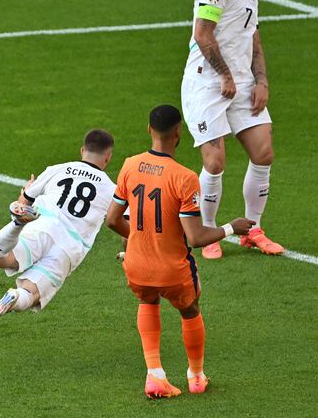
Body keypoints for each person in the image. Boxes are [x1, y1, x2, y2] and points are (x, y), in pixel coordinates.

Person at [105, 104, 255, 398]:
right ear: (179, 133)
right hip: (172, 269)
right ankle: (196, 377)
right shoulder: (185, 178)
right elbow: (197, 238)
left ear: (149, 130)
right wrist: (230, 228)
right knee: (189, 310)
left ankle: (154, 375)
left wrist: (137, 239)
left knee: (147, 301)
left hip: (136, 265)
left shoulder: (129, 165)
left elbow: (112, 219)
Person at [180, 0, 283, 259]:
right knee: (215, 160)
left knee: (263, 152)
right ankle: (208, 233)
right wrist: (224, 75)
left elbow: (254, 40)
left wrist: (262, 82)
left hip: (241, 85)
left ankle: (252, 228)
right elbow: (203, 33)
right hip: (208, 84)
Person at [0, 129, 116, 321]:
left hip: (43, 224)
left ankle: (17, 224)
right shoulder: (112, 190)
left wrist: (25, 193)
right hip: (69, 247)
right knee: (31, 294)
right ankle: (14, 297)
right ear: (108, 158)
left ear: (82, 150)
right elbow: (122, 221)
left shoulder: (57, 169)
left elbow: (23, 202)